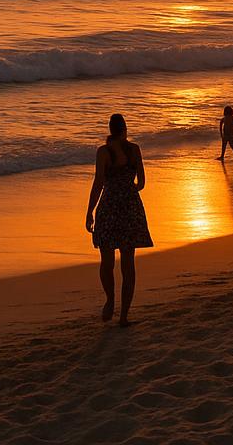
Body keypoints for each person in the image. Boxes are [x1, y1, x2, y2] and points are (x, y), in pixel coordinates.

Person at [86, 113, 153, 327]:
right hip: (130, 207)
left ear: (109, 129)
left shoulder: (103, 152)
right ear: (125, 129)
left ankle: (110, 301)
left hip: (108, 208)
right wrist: (129, 190)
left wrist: (89, 211)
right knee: (128, 262)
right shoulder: (134, 150)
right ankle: (124, 315)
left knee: (106, 261)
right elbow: (141, 182)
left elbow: (98, 184)